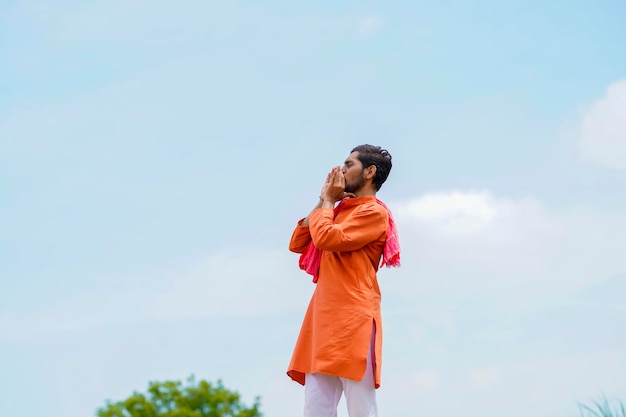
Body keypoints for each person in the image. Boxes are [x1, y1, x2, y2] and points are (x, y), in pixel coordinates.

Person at [287, 144, 400, 417]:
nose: (341, 169)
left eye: (349, 165)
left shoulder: (373, 213)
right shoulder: (338, 210)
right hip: (322, 318)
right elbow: (298, 241)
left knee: (360, 406)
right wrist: (325, 199)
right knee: (315, 407)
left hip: (353, 318)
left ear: (370, 172)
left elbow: (328, 238)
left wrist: (328, 202)